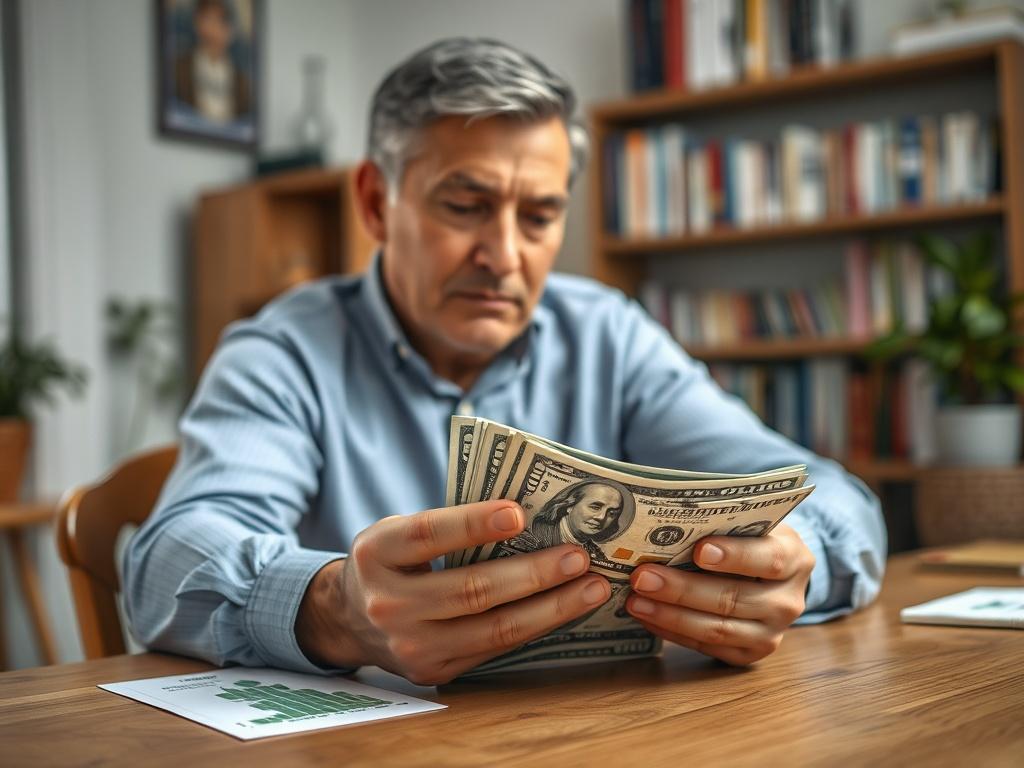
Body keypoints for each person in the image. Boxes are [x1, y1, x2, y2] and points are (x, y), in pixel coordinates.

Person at [125, 37, 886, 686]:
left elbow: (837, 503)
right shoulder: (283, 351)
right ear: (376, 202)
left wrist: (790, 569)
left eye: (541, 215)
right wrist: (335, 608)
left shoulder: (609, 336)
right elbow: (167, 561)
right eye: (465, 206)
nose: (505, 256)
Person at [173, 0, 251, 125]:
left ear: (229, 30)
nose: (211, 29)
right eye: (206, 19)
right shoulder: (179, 68)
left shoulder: (242, 83)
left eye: (218, 21)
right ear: (197, 23)